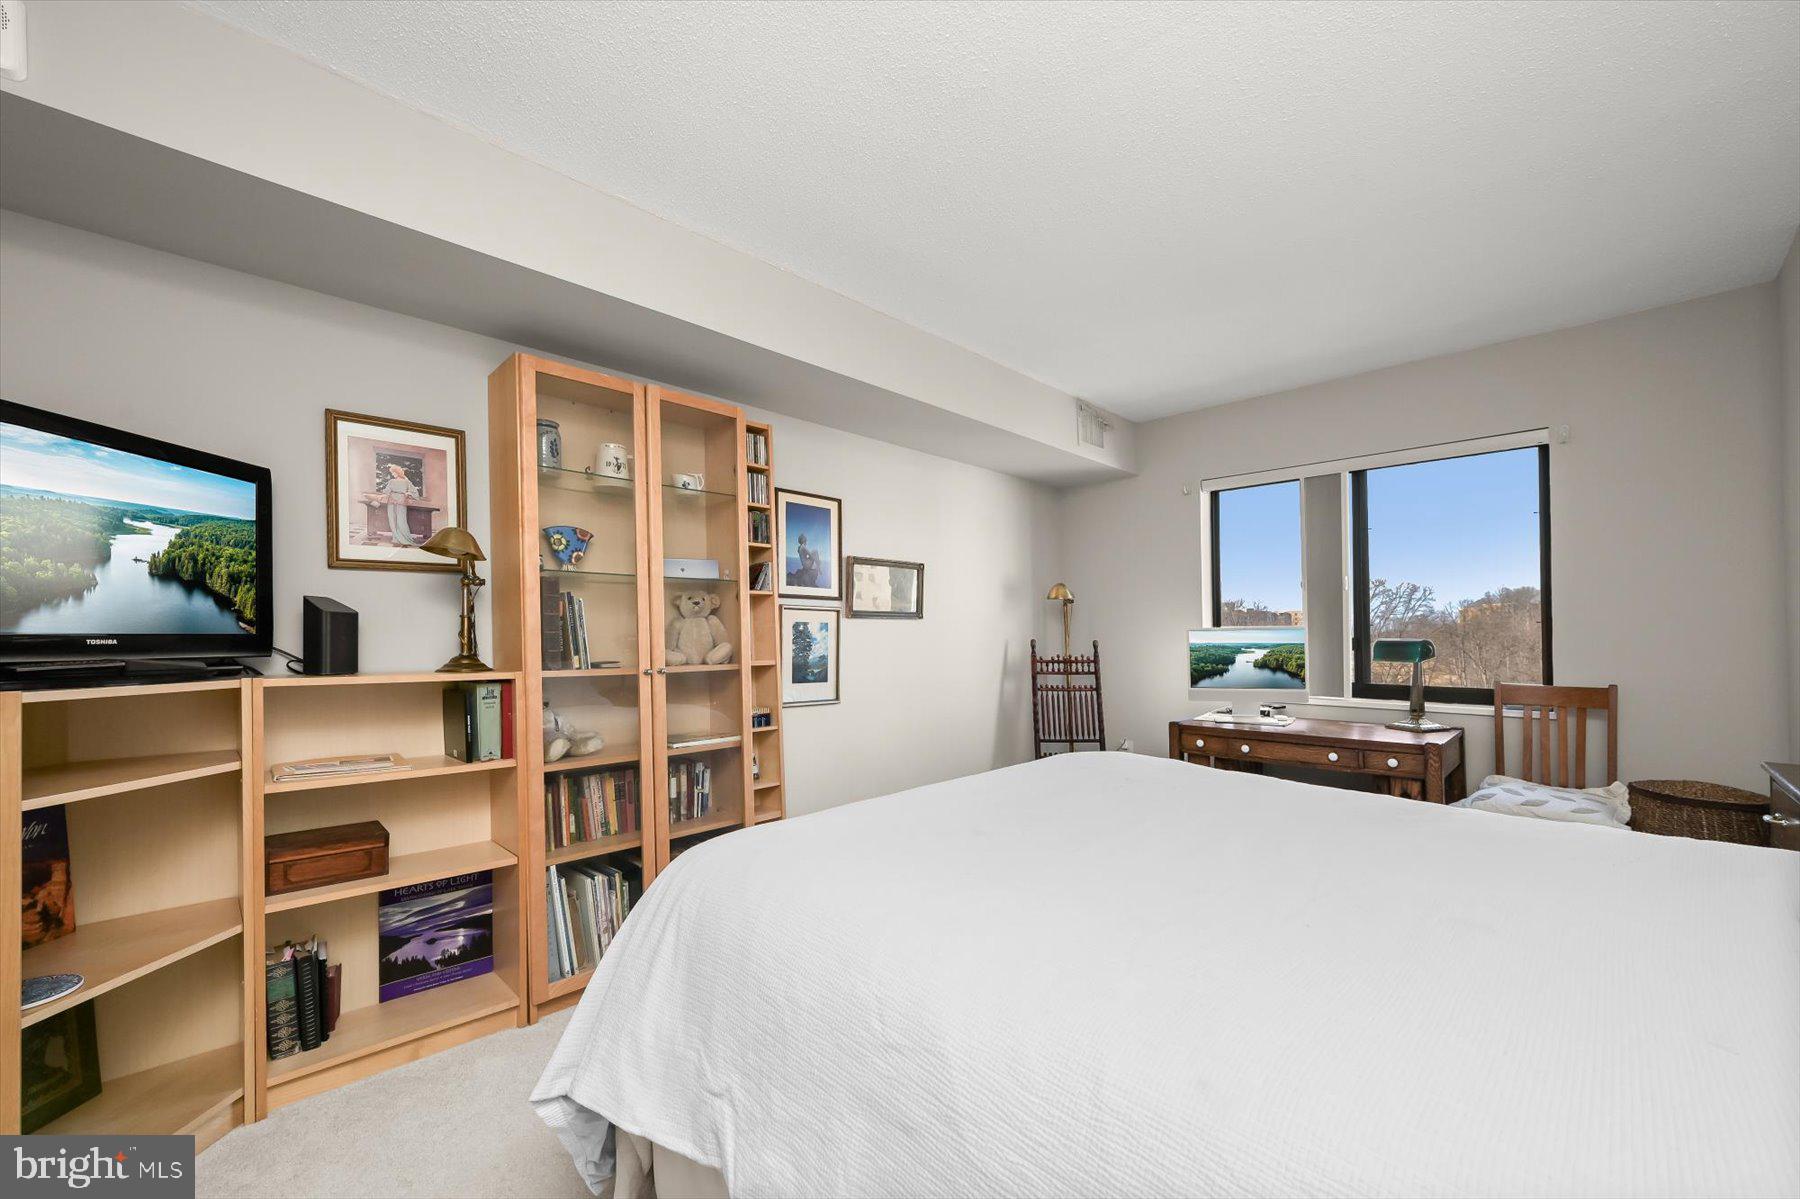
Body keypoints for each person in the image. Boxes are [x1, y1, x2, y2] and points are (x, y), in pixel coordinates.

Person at [374, 462, 423, 547]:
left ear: (396, 472)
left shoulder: (392, 481)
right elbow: (415, 492)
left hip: (394, 500)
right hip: (399, 500)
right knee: (401, 520)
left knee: (395, 519)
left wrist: (407, 494)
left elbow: (386, 491)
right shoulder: (406, 482)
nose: (392, 474)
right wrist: (407, 493)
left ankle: (398, 538)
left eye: (393, 472)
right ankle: (398, 538)